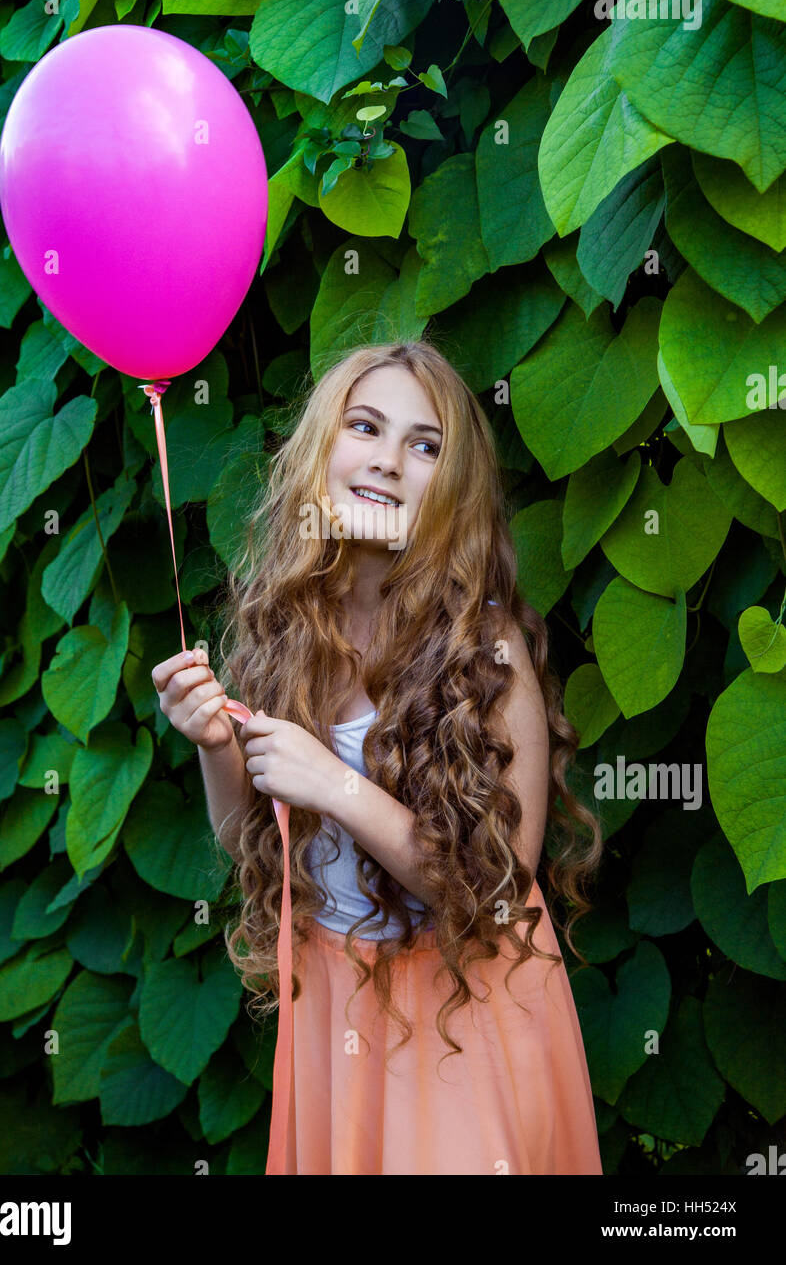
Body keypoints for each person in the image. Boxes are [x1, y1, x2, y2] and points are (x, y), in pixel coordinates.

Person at [152, 338, 604, 1175]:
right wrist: (219, 749)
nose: (389, 461)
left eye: (425, 445)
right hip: (334, 997)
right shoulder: (288, 628)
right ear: (322, 448)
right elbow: (245, 838)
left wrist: (338, 787)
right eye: (366, 427)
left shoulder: (484, 648)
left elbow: (501, 893)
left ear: (454, 488)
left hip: (462, 1011)